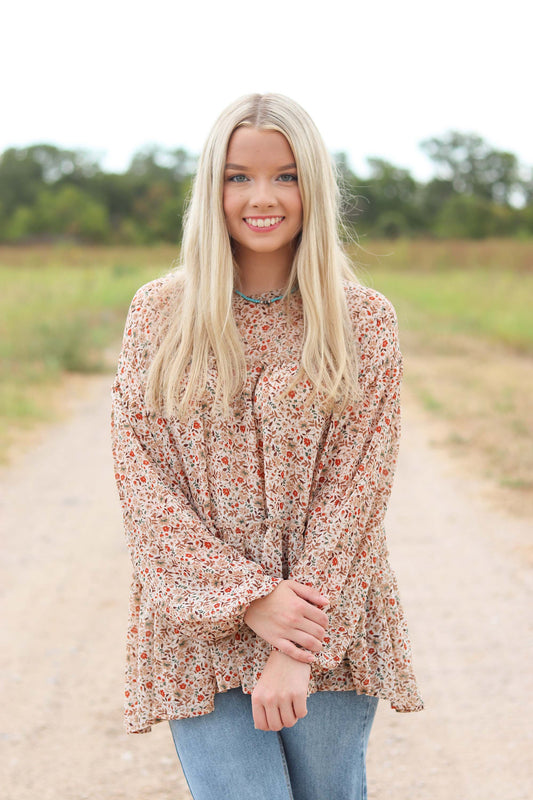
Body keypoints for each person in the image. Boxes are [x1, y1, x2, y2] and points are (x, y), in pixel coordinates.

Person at [111, 92, 424, 800]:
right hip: (199, 626)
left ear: (312, 185)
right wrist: (248, 600)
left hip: (326, 625)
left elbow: (356, 491)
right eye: (237, 175)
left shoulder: (362, 322)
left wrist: (294, 644)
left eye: (284, 175)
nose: (262, 196)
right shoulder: (159, 315)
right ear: (210, 186)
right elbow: (143, 481)